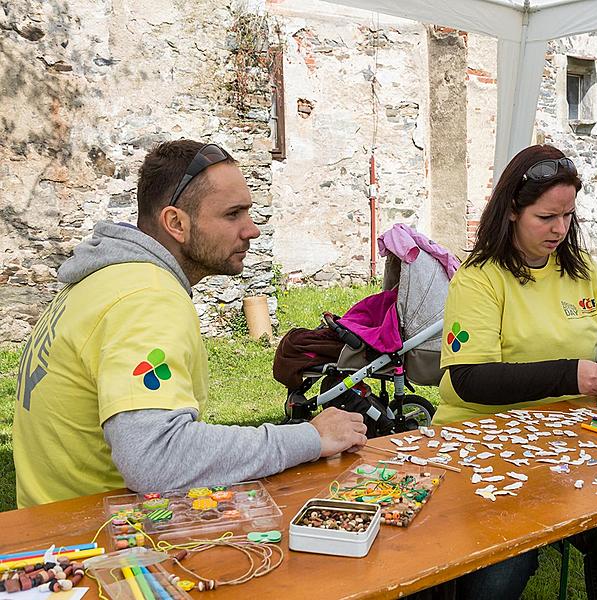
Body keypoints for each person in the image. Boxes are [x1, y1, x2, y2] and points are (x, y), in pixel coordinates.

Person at [13, 140, 368, 508]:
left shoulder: (103, 279)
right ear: (176, 223)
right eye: (233, 214)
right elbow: (154, 457)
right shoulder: (146, 298)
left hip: (57, 535)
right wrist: (309, 437)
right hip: (103, 548)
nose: (251, 230)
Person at [434, 144, 597, 600]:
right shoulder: (479, 278)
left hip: (569, 442)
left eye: (568, 216)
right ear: (512, 211)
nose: (559, 229)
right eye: (546, 217)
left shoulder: (583, 270)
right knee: (502, 566)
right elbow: (467, 380)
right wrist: (568, 375)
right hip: (483, 446)